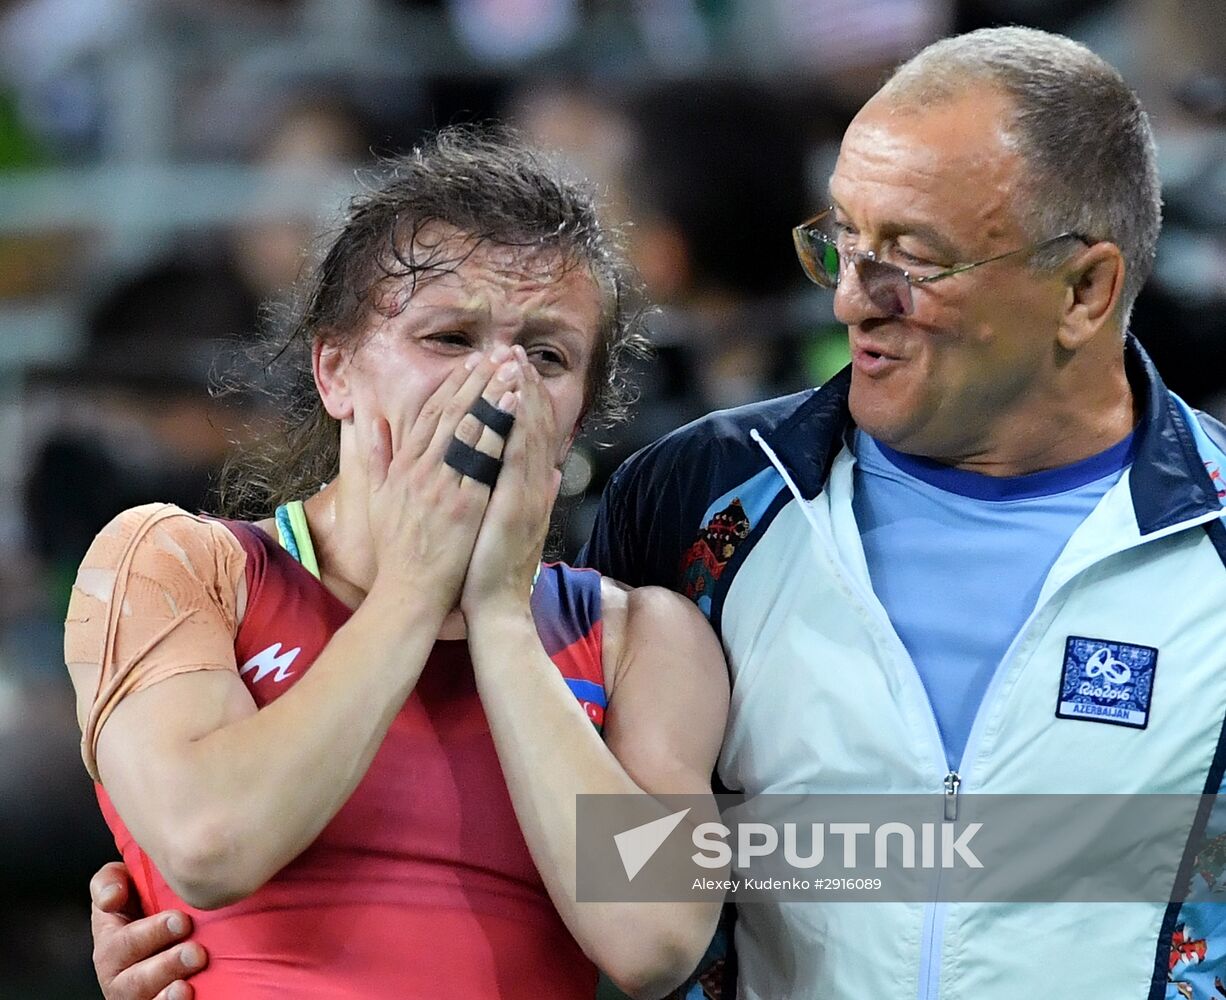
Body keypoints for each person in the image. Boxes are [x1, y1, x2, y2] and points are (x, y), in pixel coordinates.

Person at [91, 24, 1226, 999]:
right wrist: (187, 918)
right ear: (333, 366)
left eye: (911, 260)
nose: (848, 297)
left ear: (1084, 289)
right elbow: (244, 840)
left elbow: (653, 922)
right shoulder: (699, 500)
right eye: (843, 243)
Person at [67, 127, 728, 1000]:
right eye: (449, 337)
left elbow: (655, 942)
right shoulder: (180, 563)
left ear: (576, 420)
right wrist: (416, 591)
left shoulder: (641, 639)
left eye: (547, 354)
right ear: (335, 371)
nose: (501, 385)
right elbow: (210, 843)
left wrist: (497, 617)